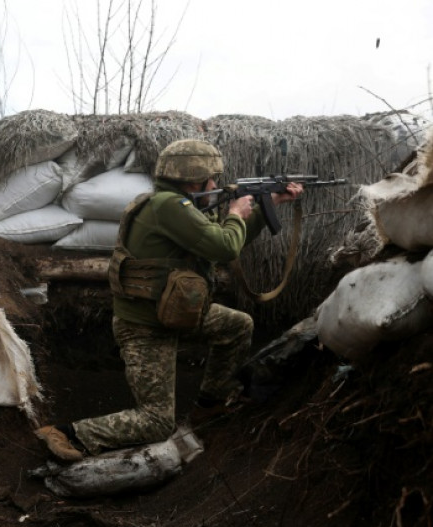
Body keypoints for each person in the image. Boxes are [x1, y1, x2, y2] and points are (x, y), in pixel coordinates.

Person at [35, 139, 303, 461]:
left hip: (176, 313)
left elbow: (221, 240)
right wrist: (235, 213)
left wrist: (269, 204)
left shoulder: (179, 207)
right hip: (145, 327)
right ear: (192, 179)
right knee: (157, 422)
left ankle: (209, 404)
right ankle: (69, 434)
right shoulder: (169, 207)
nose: (214, 185)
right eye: (210, 178)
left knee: (237, 326)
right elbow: (224, 247)